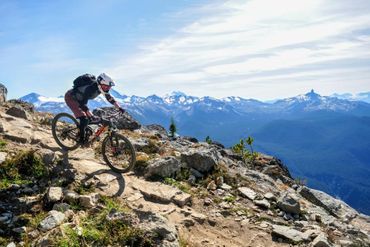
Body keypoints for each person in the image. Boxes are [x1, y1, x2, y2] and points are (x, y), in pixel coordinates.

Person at [64, 73, 125, 144]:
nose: (108, 88)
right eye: (106, 86)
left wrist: (119, 107)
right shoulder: (89, 88)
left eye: (109, 87)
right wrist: (91, 116)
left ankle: (84, 131)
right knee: (84, 119)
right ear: (100, 83)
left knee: (90, 119)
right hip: (71, 98)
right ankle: (81, 140)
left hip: (81, 100)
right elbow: (83, 105)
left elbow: (110, 98)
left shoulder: (101, 88)